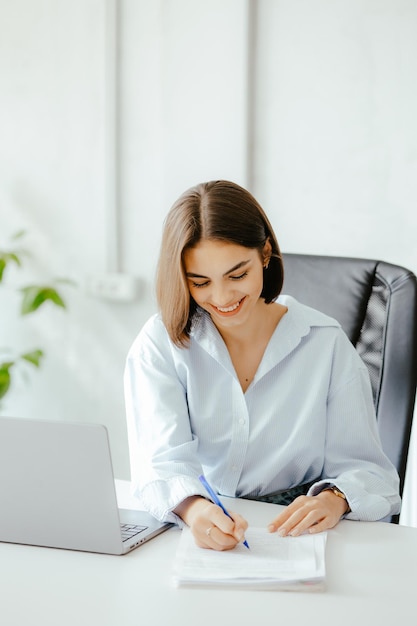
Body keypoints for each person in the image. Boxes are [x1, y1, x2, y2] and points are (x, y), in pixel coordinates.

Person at [124, 180, 401, 551]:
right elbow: (158, 463)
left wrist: (333, 500)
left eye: (237, 275)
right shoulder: (161, 342)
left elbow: (372, 473)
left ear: (266, 253)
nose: (222, 298)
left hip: (300, 539)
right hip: (194, 532)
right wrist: (193, 509)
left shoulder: (325, 344)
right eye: (200, 282)